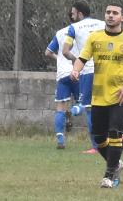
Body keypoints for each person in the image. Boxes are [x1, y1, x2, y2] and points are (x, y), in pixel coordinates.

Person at [70, 3, 123, 189]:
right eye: (108, 12)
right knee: (99, 138)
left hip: (120, 96)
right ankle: (116, 164)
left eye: (115, 13)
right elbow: (82, 59)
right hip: (98, 95)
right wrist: (75, 70)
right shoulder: (95, 37)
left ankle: (108, 176)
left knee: (115, 134)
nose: (111, 15)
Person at [61, 1, 105, 154]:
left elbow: (65, 50)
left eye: (73, 13)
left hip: (88, 71)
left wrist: (76, 61)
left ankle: (96, 146)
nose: (72, 16)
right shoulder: (102, 23)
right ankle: (113, 140)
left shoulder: (74, 28)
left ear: (80, 13)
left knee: (89, 109)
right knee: (107, 106)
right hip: (106, 70)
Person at [45, 9, 83, 149]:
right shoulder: (84, 31)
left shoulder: (60, 33)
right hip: (78, 72)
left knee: (60, 107)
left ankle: (60, 140)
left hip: (62, 74)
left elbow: (48, 52)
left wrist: (59, 60)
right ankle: (72, 112)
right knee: (83, 103)